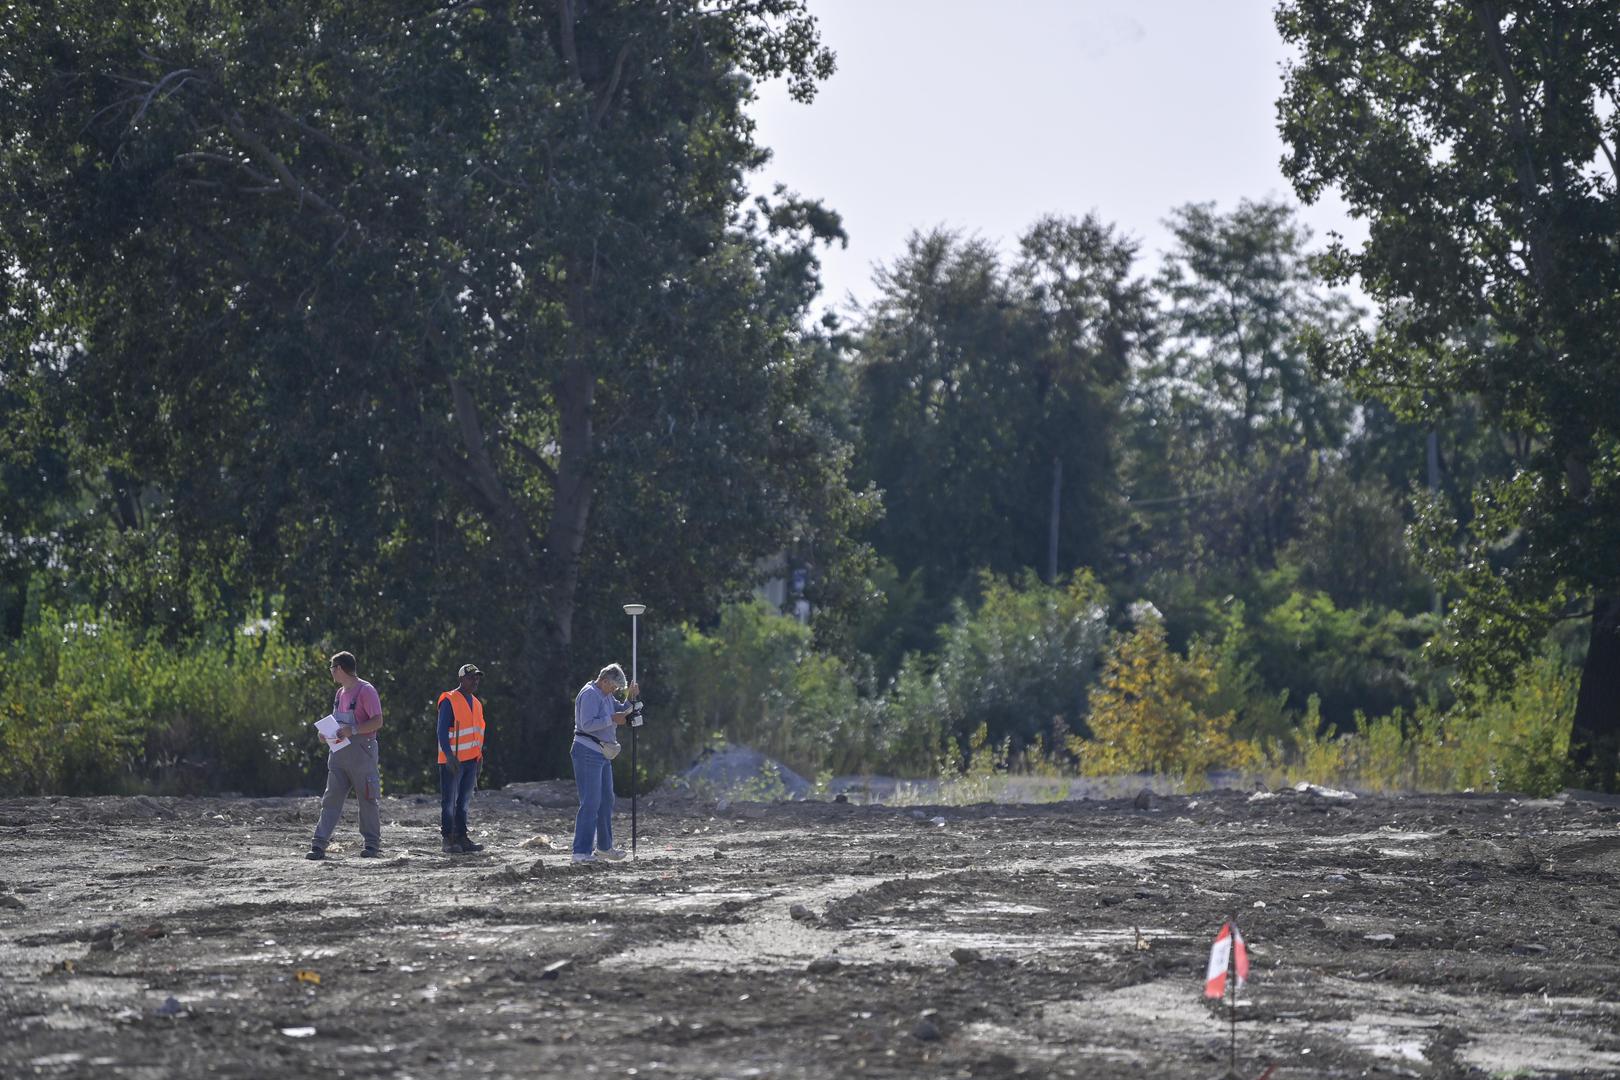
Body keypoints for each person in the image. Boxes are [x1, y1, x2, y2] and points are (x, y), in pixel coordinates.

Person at [305, 651, 385, 860]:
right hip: (338, 754)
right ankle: (318, 844)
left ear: (339, 668)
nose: (331, 672)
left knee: (367, 799)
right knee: (330, 798)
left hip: (362, 753)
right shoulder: (340, 693)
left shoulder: (366, 691)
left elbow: (378, 721)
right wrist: (325, 735)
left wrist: (354, 730)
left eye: (332, 668)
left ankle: (371, 845)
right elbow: (336, 721)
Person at [571, 663, 639, 864]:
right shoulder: (590, 694)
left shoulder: (606, 694)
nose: (615, 691)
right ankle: (580, 851)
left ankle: (604, 847)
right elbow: (587, 724)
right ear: (604, 680)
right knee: (590, 802)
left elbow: (620, 711)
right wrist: (612, 719)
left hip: (603, 754)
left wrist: (630, 698)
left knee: (606, 799)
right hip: (587, 751)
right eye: (614, 687)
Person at [437, 663, 487, 854]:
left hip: (471, 760)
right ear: (461, 679)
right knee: (449, 801)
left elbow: (477, 734)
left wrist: (479, 757)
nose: (475, 680)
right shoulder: (449, 700)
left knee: (464, 802)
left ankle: (461, 837)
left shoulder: (476, 703)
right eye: (471, 677)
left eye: (477, 677)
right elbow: (441, 731)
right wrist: (449, 757)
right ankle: (448, 838)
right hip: (453, 762)